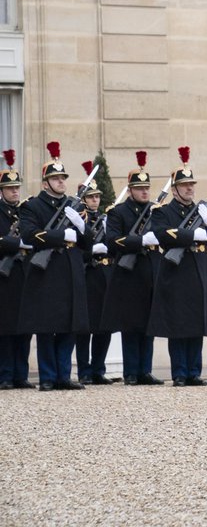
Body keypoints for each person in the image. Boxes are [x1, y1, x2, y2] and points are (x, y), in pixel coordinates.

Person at [148, 146, 207, 386]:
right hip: (176, 273)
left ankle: (194, 371)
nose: (190, 188)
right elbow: (161, 234)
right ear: (174, 189)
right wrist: (192, 236)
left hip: (198, 271)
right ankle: (180, 372)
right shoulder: (164, 211)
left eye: (192, 184)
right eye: (184, 185)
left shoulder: (200, 210)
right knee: (178, 324)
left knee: (196, 323)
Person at [18, 142, 88, 391]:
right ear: (45, 182)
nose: (61, 182)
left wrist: (80, 227)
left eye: (63, 177)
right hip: (46, 272)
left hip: (70, 270)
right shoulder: (32, 206)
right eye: (55, 178)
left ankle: (63, 376)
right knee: (47, 326)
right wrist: (60, 237)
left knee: (70, 324)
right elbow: (28, 235)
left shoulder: (74, 206)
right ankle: (48, 376)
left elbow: (87, 241)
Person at [100, 151, 164, 385]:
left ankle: (145, 370)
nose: (144, 191)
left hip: (150, 272)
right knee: (130, 326)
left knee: (149, 325)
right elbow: (112, 241)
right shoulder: (118, 213)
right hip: (128, 276)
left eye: (146, 187)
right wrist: (139, 241)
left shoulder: (156, 212)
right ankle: (131, 372)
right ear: (129, 190)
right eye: (139, 188)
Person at [75, 163, 114, 384]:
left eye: (97, 197)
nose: (95, 201)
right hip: (87, 274)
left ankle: (99, 369)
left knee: (104, 325)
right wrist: (91, 252)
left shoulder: (105, 219)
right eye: (90, 197)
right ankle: (84, 371)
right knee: (85, 327)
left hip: (104, 274)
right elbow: (76, 250)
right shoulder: (80, 219)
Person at [0, 150, 33, 390]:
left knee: (25, 327)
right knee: (6, 328)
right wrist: (15, 243)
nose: (15, 191)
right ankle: (5, 374)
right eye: (10, 188)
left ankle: (21, 374)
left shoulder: (25, 211)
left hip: (24, 275)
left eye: (17, 187)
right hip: (5, 276)